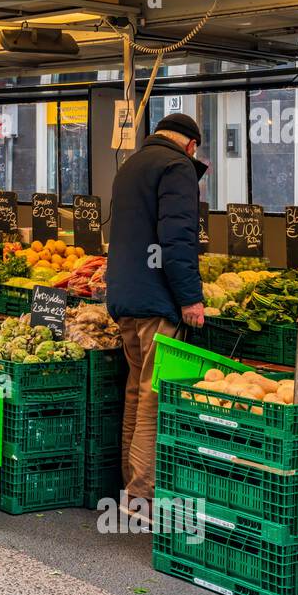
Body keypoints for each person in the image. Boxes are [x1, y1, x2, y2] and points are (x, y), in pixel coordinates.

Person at [104, 112, 207, 514]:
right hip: (157, 299)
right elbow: (177, 239)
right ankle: (141, 495)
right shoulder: (177, 166)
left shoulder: (130, 165)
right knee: (153, 393)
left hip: (125, 296)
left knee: (135, 388)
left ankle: (128, 484)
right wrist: (190, 297)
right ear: (191, 145)